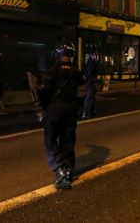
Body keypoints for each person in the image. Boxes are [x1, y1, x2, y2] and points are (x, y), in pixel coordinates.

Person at [39, 42, 85, 190]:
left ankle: (59, 169)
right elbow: (83, 90)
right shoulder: (77, 72)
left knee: (50, 140)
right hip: (71, 109)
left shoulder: (51, 72)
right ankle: (69, 169)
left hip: (55, 109)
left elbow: (43, 92)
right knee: (68, 139)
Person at [81, 51, 99, 120]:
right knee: (89, 98)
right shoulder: (90, 63)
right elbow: (89, 74)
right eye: (94, 55)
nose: (96, 56)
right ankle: (85, 113)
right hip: (90, 82)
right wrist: (93, 80)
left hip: (91, 82)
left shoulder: (92, 62)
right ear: (92, 56)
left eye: (96, 55)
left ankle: (90, 112)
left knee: (92, 98)